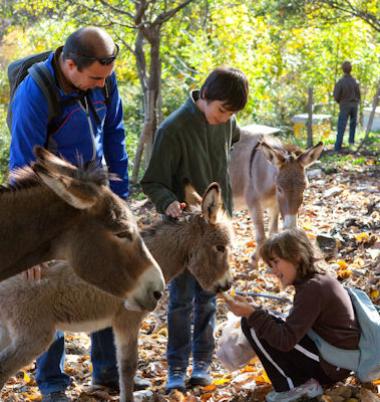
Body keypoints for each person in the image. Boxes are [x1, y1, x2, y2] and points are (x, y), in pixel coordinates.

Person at [8, 27, 132, 402]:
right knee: (49, 287)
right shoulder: (37, 92)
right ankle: (52, 385)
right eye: (94, 78)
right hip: (50, 206)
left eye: (105, 78)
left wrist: (121, 210)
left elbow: (116, 140)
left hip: (94, 197)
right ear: (70, 64)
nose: (100, 85)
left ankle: (107, 374)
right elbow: (23, 164)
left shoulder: (105, 85)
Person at [141, 67, 249, 392]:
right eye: (221, 110)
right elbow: (151, 181)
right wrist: (169, 201)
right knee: (181, 300)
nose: (225, 117)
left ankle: (202, 362)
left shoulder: (227, 123)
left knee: (209, 298)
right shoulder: (172, 129)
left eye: (231, 113)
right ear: (204, 96)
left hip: (217, 231)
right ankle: (176, 367)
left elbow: (235, 136)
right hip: (186, 234)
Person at [224, 229, 360, 402]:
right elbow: (293, 327)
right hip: (336, 361)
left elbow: (285, 341)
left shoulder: (313, 288)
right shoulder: (315, 282)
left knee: (251, 323)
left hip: (334, 366)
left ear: (295, 256)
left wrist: (251, 313)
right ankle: (297, 382)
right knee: (262, 318)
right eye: (270, 265)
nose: (273, 271)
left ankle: (293, 386)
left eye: (276, 262)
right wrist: (256, 311)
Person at [333, 60, 361, 152]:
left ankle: (337, 147)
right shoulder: (355, 81)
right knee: (353, 125)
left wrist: (341, 102)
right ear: (351, 69)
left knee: (341, 125)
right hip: (354, 105)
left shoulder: (341, 82)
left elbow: (336, 96)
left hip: (344, 105)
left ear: (342, 69)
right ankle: (351, 143)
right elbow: (359, 95)